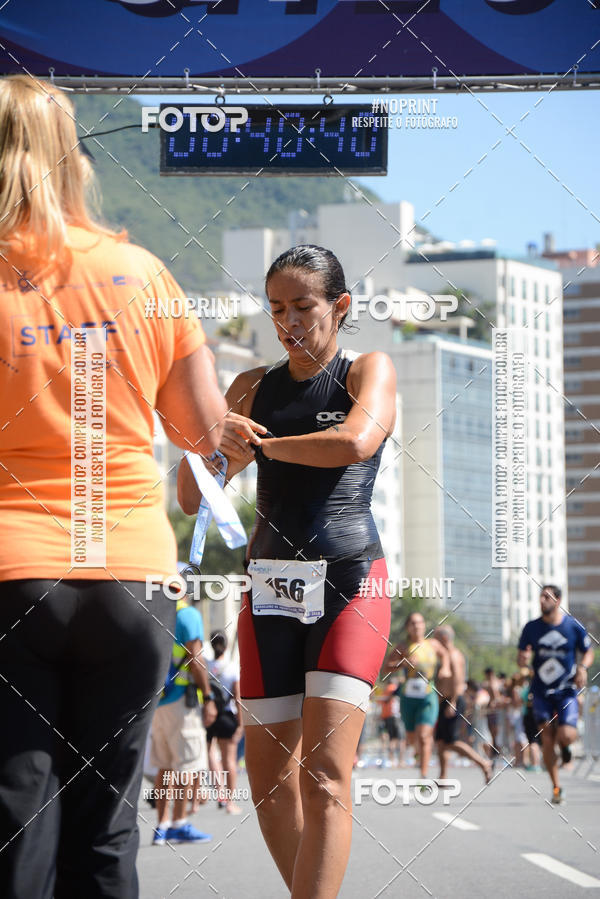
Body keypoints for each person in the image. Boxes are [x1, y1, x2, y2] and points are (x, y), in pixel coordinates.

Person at [0, 76, 226, 898]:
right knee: (107, 830)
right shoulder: (143, 273)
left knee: (15, 821)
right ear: (74, 162)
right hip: (132, 574)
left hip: (10, 575)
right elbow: (202, 439)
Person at [178, 244, 396, 898]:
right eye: (277, 308)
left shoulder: (368, 370)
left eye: (304, 306)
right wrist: (218, 447)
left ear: (341, 306)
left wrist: (266, 443)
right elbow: (194, 500)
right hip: (269, 588)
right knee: (270, 782)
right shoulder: (251, 387)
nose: (289, 321)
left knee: (326, 772)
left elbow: (355, 441)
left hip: (351, 581)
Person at [518, 584, 594, 804]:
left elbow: (588, 651)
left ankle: (566, 746)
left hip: (566, 690)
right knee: (547, 737)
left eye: (547, 597)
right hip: (540, 690)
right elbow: (521, 656)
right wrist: (523, 659)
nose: (542, 601)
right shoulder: (531, 628)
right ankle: (556, 787)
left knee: (566, 735)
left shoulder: (573, 626)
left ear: (558, 601)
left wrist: (583, 667)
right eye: (540, 597)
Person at [150, 598, 216, 844]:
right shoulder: (187, 614)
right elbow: (196, 659)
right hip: (181, 701)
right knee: (187, 764)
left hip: (158, 700)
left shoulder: (154, 609)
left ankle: (162, 825)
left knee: (164, 766)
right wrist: (208, 697)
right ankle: (179, 823)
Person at [385, 612, 450, 779]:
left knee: (424, 735)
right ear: (408, 627)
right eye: (413, 623)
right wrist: (402, 663)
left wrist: (444, 668)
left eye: (420, 622)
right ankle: (416, 751)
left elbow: (445, 655)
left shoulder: (433, 644)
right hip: (408, 696)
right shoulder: (403, 646)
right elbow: (386, 667)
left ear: (424, 625)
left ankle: (423, 774)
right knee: (412, 737)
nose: (417, 626)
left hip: (428, 694)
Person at [433, 626, 491, 784]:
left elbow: (458, 681)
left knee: (453, 741)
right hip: (444, 701)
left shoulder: (454, 655)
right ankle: (443, 776)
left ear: (444, 638)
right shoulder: (444, 656)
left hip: (454, 700)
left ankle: (483, 763)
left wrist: (452, 702)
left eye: (436, 638)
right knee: (441, 742)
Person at [206, 631, 243, 815]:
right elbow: (238, 697)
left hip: (209, 716)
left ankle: (219, 792)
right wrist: (241, 724)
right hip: (227, 716)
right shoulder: (232, 667)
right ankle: (229, 802)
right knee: (229, 760)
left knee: (211, 754)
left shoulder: (205, 665)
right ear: (226, 645)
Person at [377, 678, 405, 767]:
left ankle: (392, 760)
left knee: (392, 739)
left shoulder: (385, 690)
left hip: (387, 717)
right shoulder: (393, 688)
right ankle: (400, 761)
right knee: (401, 740)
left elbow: (380, 702)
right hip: (396, 716)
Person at [482, 666, 503, 767]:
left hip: (494, 711)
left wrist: (493, 703)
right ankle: (494, 754)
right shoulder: (495, 682)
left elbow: (496, 697)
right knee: (493, 733)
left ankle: (495, 754)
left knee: (494, 733)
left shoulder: (492, 683)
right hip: (493, 711)